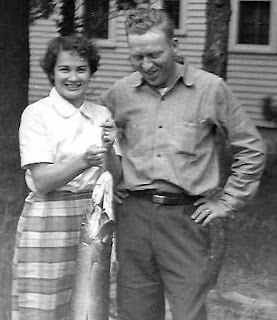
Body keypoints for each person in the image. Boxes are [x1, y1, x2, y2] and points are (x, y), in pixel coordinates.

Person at [99, 8, 266, 320]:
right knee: (134, 309)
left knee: (188, 310)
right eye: (137, 57)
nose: (146, 65)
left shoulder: (211, 89)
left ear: (174, 45)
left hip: (186, 219)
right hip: (133, 215)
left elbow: (252, 148)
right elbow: (96, 140)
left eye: (154, 54)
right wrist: (110, 181)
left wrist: (227, 201)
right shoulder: (119, 93)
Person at [12, 34, 121, 320]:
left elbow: (116, 177)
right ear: (51, 72)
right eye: (65, 69)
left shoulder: (102, 114)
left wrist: (110, 151)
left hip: (95, 214)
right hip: (50, 214)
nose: (73, 77)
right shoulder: (37, 114)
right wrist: (84, 161)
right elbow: (44, 181)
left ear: (91, 72)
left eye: (81, 69)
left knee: (90, 303)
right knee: (44, 304)